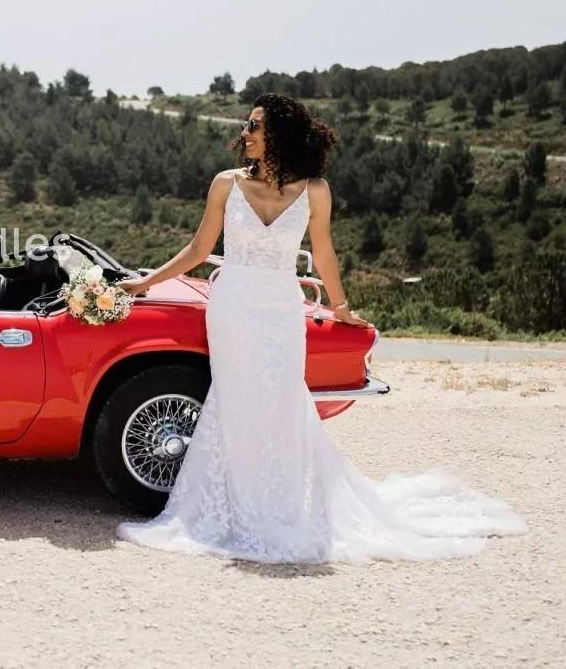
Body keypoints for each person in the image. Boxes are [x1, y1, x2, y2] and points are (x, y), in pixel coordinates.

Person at [114, 93, 525, 564]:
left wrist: (341, 307)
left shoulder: (315, 190)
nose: (244, 133)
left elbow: (324, 253)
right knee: (236, 399)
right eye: (247, 124)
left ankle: (284, 504)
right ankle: (234, 504)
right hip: (232, 309)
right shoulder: (225, 184)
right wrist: (145, 283)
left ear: (279, 135)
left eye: (254, 126)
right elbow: (198, 248)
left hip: (281, 310)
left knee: (283, 399)